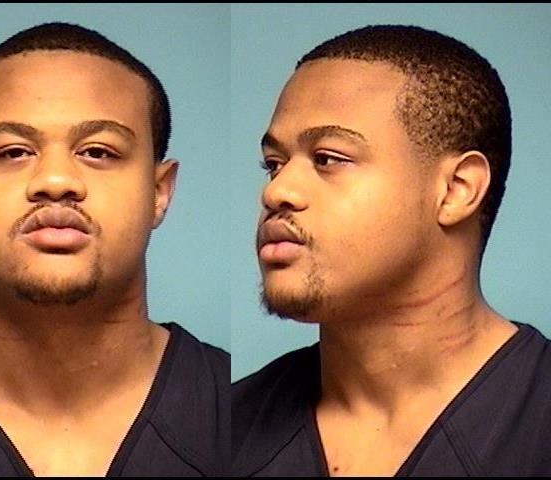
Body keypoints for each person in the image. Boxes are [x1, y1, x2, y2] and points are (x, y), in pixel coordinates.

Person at [0, 22, 229, 476]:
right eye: (12, 151)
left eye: (98, 151)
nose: (56, 180)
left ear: (159, 191)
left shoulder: (240, 412)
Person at [232, 24, 551, 476]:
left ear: (456, 189)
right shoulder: (224, 430)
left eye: (327, 158)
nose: (277, 191)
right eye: (274, 164)